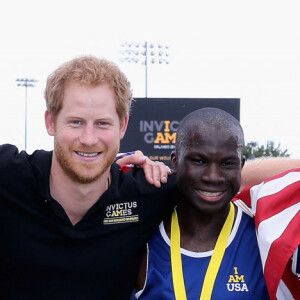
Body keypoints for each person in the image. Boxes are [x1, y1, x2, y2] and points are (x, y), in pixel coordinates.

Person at [0, 55, 174, 300]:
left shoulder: (147, 192)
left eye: (102, 123)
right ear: (51, 122)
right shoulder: (8, 177)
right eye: (76, 122)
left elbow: (227, 176)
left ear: (122, 126)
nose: (89, 138)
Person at [134, 107, 299, 299]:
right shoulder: (144, 237)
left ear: (241, 166)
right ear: (175, 161)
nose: (213, 177)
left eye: (227, 164)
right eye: (199, 161)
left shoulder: (266, 235)